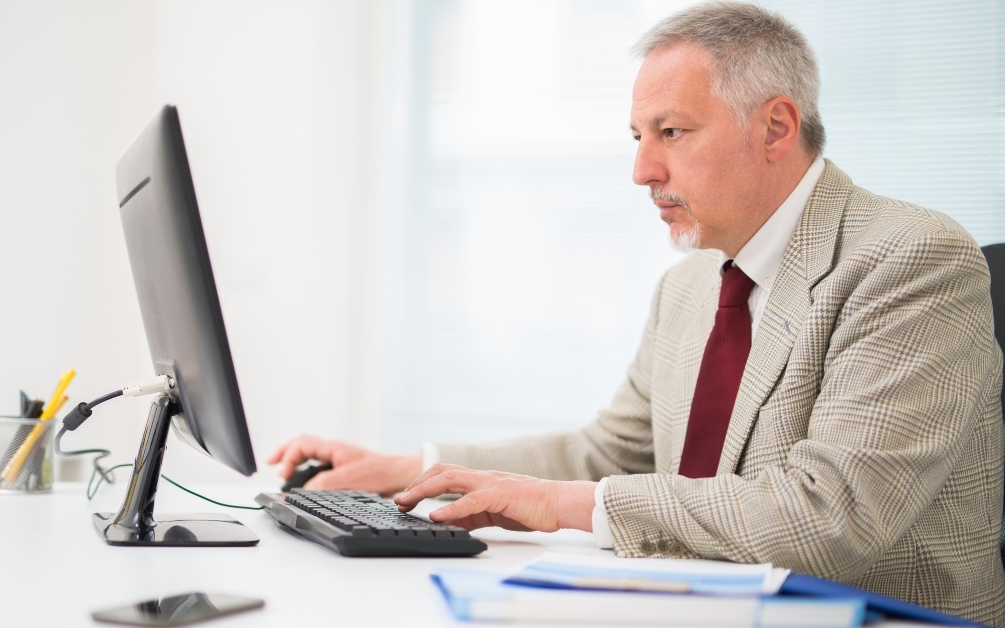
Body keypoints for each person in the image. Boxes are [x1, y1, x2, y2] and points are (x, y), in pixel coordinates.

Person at [269, 2, 1004, 623]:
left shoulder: (912, 259)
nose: (642, 170)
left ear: (777, 128)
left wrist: (560, 504)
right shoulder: (690, 287)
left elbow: (830, 516)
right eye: (637, 137)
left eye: (671, 132)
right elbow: (609, 457)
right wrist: (413, 470)